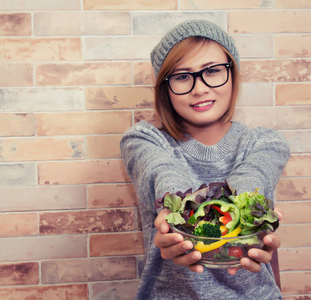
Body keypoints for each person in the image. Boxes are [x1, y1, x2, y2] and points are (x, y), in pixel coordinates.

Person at [120, 19, 290, 299]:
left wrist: (247, 217)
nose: (199, 88)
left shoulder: (264, 143)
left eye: (212, 71)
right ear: (165, 87)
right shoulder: (143, 140)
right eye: (182, 76)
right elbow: (163, 171)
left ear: (232, 74)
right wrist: (174, 209)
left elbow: (253, 176)